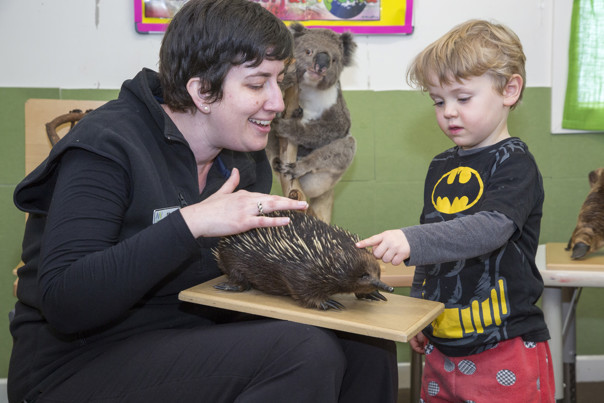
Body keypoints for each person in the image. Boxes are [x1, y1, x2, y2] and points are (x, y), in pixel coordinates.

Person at [8, 1, 398, 402]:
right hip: (77, 364)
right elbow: (65, 302)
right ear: (202, 91)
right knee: (301, 353)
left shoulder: (242, 159)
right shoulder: (106, 146)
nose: (278, 102)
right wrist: (190, 223)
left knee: (367, 343)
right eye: (256, 83)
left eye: (279, 82)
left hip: (192, 337)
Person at [356, 20, 554, 402]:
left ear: (509, 90)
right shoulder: (441, 165)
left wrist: (409, 239)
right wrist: (417, 310)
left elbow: (490, 229)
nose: (448, 112)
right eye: (438, 100)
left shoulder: (515, 163)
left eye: (463, 98)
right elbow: (435, 242)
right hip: (443, 343)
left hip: (505, 343)